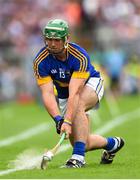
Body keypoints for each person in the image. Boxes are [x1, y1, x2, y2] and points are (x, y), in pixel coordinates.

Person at [33, 19, 124, 168]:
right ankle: (112, 144)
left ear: (66, 39)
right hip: (64, 94)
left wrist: (68, 121)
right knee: (83, 143)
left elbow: (75, 93)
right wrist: (58, 120)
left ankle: (78, 159)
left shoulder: (79, 56)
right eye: (49, 39)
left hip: (90, 84)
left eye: (56, 40)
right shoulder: (40, 61)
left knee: (78, 104)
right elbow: (48, 94)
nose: (52, 44)